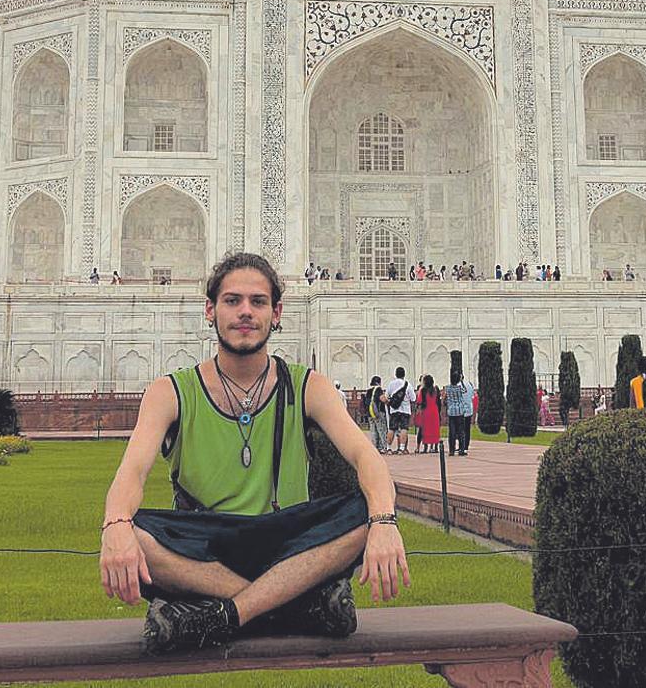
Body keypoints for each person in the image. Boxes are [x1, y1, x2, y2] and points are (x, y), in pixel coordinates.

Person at [99, 252, 409, 654]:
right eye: (232, 301)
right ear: (210, 310)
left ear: (277, 313)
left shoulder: (306, 386)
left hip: (289, 541)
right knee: (133, 534)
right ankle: (296, 607)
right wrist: (115, 526)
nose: (245, 312)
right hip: (208, 546)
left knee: (363, 512)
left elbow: (367, 458)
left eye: (258, 302)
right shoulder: (171, 392)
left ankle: (219, 615)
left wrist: (384, 522)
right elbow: (131, 473)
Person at [384, 366, 415, 455]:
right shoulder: (407, 385)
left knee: (392, 429)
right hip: (405, 410)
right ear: (404, 375)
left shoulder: (391, 384)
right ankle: (401, 448)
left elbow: (387, 397)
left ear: (395, 374)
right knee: (404, 429)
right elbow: (413, 398)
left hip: (394, 410)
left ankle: (388, 448)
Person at [445, 370, 473, 455]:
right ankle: (461, 449)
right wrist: (461, 381)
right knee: (461, 431)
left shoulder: (447, 388)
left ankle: (451, 450)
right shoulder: (459, 388)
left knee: (452, 432)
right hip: (460, 411)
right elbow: (465, 390)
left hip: (451, 411)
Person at [416, 375, 442, 453]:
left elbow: (419, 401)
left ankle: (425, 447)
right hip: (434, 410)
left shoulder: (423, 390)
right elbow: (438, 401)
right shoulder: (435, 390)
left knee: (425, 429)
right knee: (435, 429)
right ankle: (435, 446)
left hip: (426, 411)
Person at [365, 376, 389, 454]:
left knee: (373, 430)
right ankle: (383, 447)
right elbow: (383, 399)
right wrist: (388, 401)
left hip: (370, 413)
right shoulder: (378, 389)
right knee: (381, 429)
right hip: (378, 412)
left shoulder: (368, 391)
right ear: (378, 382)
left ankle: (375, 447)